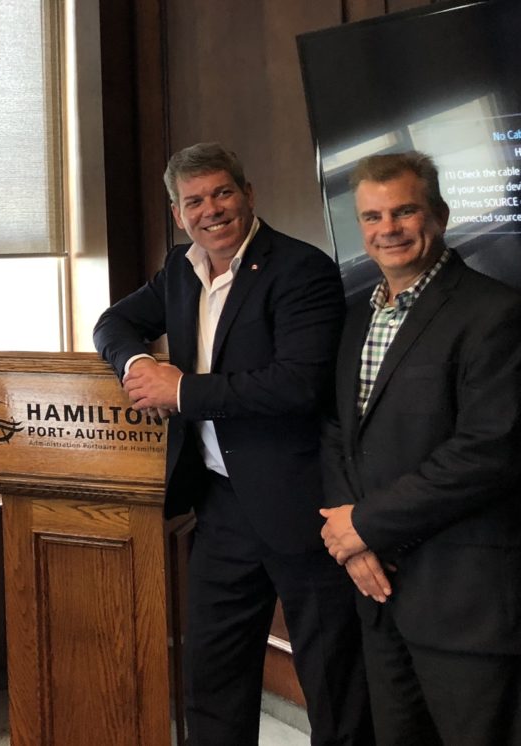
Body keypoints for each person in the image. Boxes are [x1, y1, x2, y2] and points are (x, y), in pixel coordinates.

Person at [94, 142, 371, 745]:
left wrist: (182, 391)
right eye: (194, 201)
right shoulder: (180, 268)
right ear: (178, 213)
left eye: (222, 193)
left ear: (248, 194)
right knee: (213, 680)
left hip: (303, 507)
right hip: (219, 505)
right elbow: (112, 324)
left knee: (334, 685)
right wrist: (139, 363)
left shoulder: (301, 269)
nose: (211, 210)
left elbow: (298, 384)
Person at [320, 151, 521, 745]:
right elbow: (337, 432)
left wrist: (365, 525)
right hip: (379, 595)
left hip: (464, 605)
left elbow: (488, 452)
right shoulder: (357, 316)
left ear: (439, 214)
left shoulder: (496, 313)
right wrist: (351, 539)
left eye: (404, 211)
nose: (388, 229)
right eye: (372, 216)